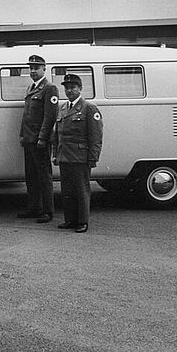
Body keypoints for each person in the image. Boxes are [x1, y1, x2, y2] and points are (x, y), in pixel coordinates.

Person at [52, 74, 103, 233]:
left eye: (73, 87)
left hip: (80, 156)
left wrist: (93, 157)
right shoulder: (62, 108)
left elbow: (96, 136)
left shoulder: (89, 108)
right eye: (67, 88)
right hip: (65, 156)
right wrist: (55, 154)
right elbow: (57, 134)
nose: (69, 90)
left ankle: (82, 221)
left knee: (81, 189)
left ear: (80, 88)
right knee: (67, 190)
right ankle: (70, 220)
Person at [18, 54, 60, 223]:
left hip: (39, 141)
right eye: (31, 68)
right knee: (31, 176)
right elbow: (26, 115)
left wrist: (43, 138)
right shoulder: (31, 88)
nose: (33, 71)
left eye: (36, 68)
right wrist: (22, 135)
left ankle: (48, 212)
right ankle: (34, 208)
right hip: (29, 139)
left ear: (44, 69)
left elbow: (50, 117)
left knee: (44, 176)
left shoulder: (49, 88)